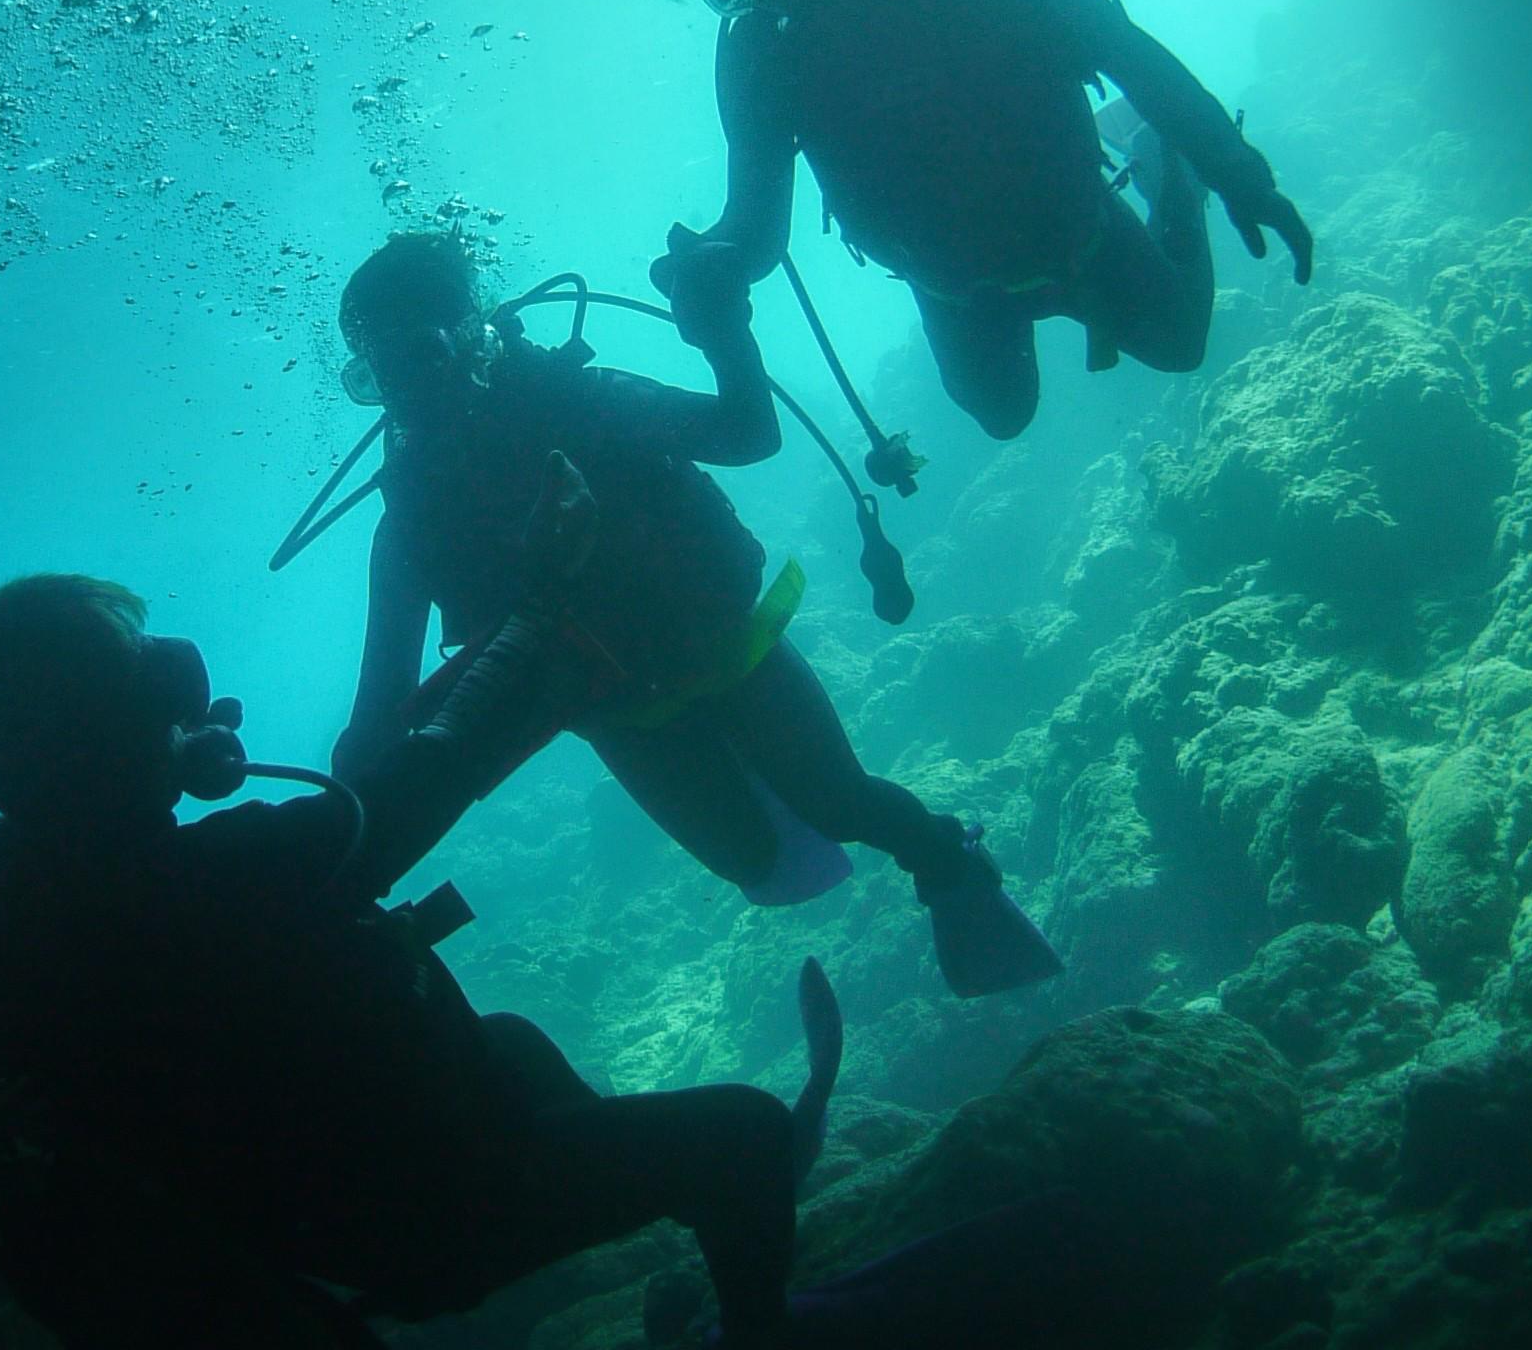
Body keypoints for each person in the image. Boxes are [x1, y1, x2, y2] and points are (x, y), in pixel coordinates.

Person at [0, 535, 842, 1350]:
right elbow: (421, 783)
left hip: (309, 1215)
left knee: (516, 1046)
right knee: (745, 1134)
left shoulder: (2, 912)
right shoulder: (183, 889)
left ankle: (629, 1199)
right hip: (414, 1208)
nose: (175, 681)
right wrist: (540, 617)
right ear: (89, 724)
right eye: (136, 668)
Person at [330, 229, 1053, 998]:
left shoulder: (584, 401)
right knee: (758, 866)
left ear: (473, 336)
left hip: (723, 645)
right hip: (617, 709)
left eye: (427, 355)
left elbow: (749, 430)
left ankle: (946, 862)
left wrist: (723, 328)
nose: (416, 391)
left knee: (841, 803)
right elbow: (378, 717)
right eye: (385, 375)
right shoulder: (412, 520)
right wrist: (340, 838)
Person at [654, 0, 1314, 444]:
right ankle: (1151, 161)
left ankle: (1160, 160)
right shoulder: (763, 51)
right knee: (1002, 415)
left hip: (1075, 228)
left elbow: (1120, 48)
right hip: (950, 280)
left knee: (1180, 345)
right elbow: (755, 229)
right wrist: (714, 265)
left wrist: (1232, 168)